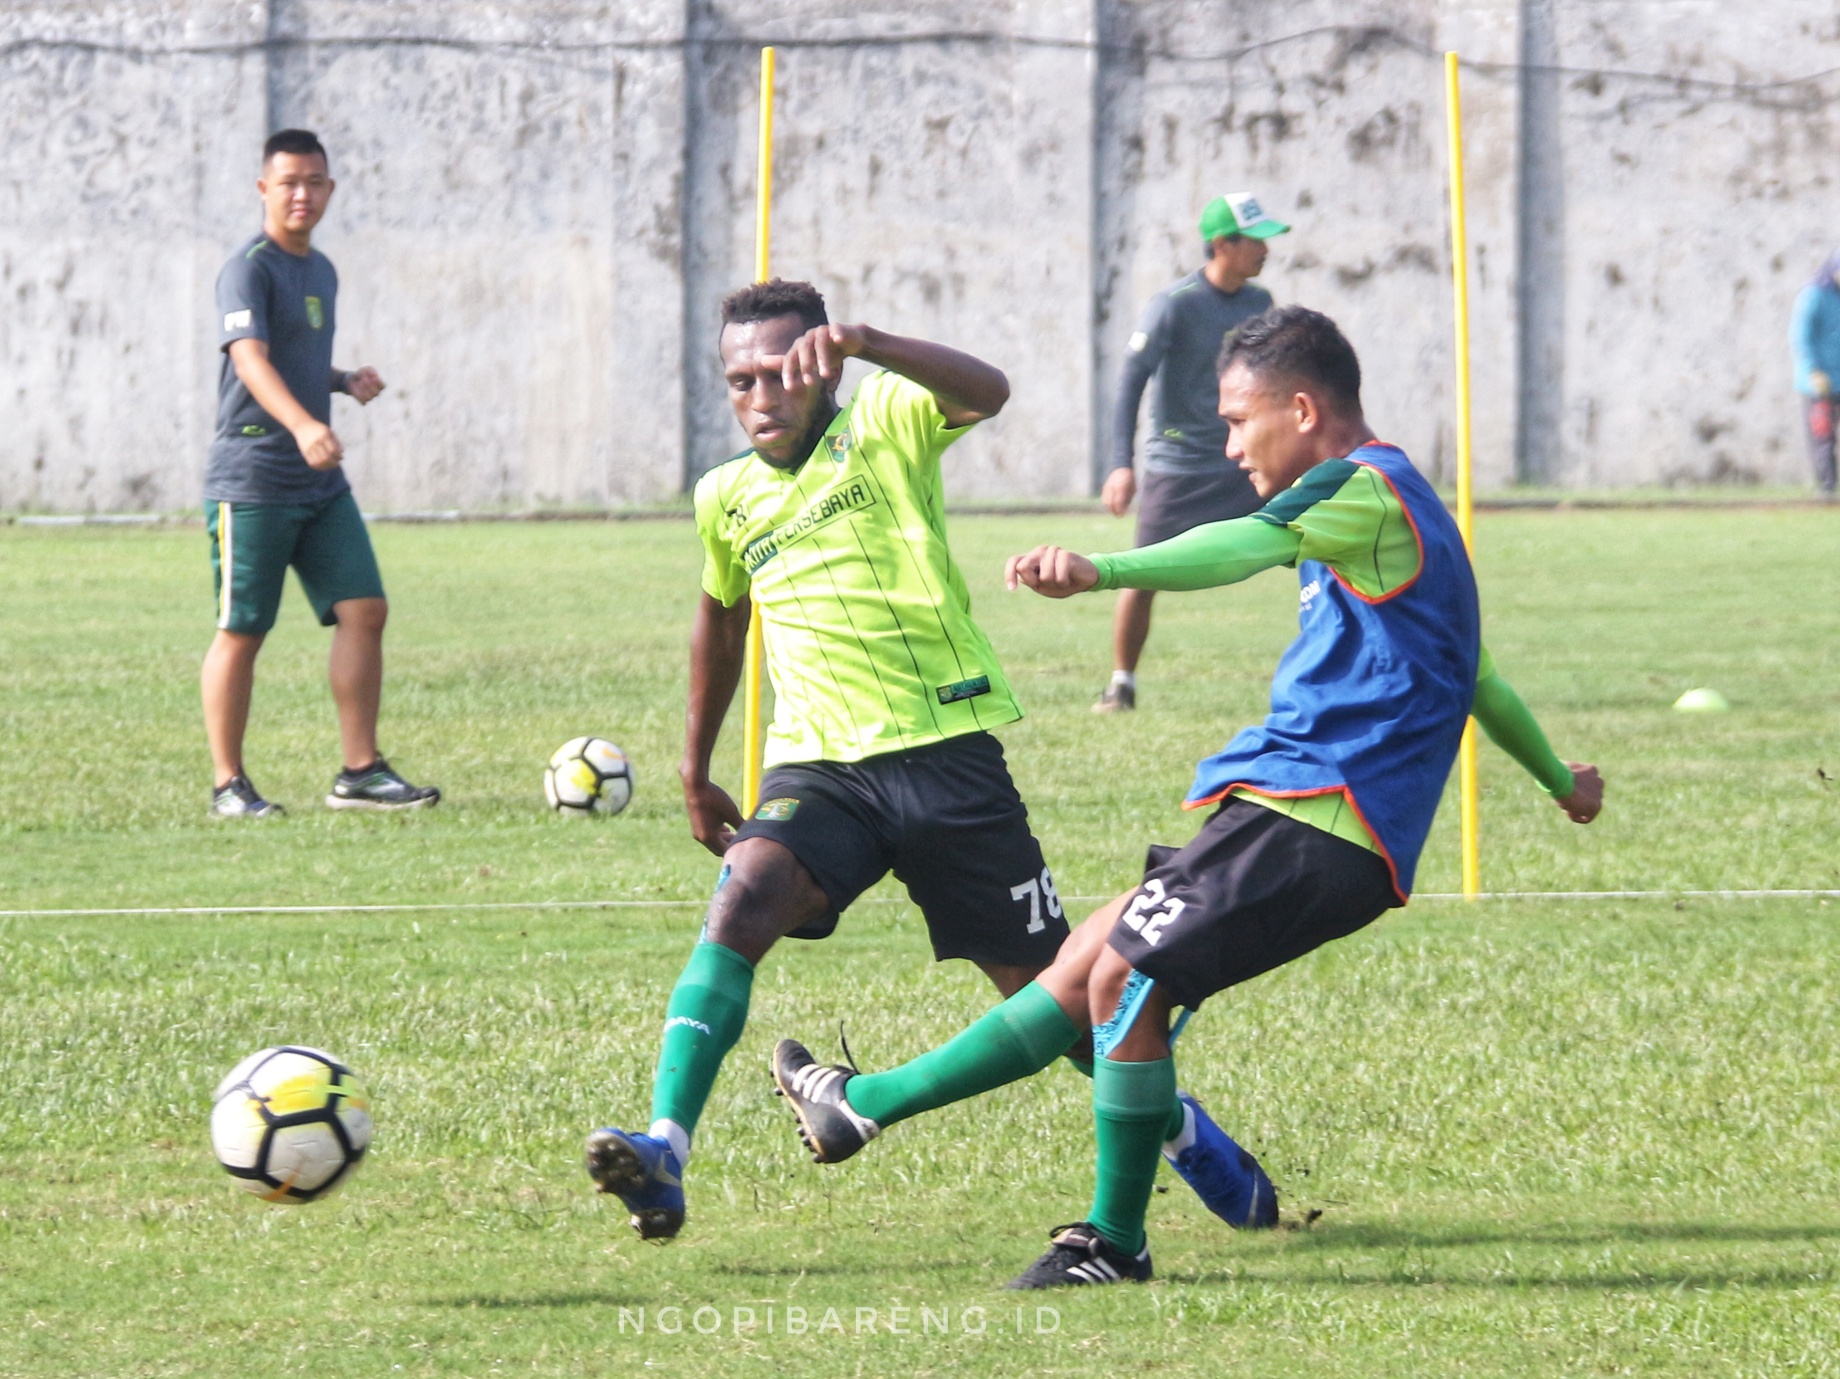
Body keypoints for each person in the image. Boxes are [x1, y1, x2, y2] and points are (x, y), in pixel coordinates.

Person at [772, 306, 1604, 1289]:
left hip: (1317, 818)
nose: (1227, 442)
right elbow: (1477, 677)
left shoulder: (1356, 491)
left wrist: (1101, 569)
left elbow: (1239, 546)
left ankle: (1112, 1242)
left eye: (1238, 419)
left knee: (1125, 985)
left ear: (1301, 409)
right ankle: (859, 1102)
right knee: (1089, 956)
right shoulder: (1397, 509)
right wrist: (1559, 778)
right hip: (1300, 817)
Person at [583, 279, 1100, 1241]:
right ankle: (663, 1150)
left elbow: (988, 390)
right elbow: (720, 620)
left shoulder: (886, 420)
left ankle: (1185, 1134)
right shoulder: (724, 497)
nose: (761, 397)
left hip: (947, 757)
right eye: (740, 381)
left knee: (1057, 1006)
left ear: (820, 366)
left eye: (780, 373)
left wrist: (872, 341)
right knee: (742, 898)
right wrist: (694, 768)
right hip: (820, 769)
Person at [200, 129, 438, 818]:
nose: (302, 194)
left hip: (317, 478)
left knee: (364, 608)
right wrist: (302, 425)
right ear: (263, 190)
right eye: (288, 183)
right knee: (244, 628)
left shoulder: (322, 269)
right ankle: (228, 785)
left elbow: (293, 356)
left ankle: (360, 772)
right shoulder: (247, 269)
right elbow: (249, 360)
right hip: (254, 476)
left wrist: (340, 381)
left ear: (330, 189)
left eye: (315, 182)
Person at [1094, 192, 1290, 713]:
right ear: (1223, 244)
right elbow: (1131, 381)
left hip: (1242, 461)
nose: (1265, 250)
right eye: (1256, 240)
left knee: (1314, 544)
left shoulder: (1259, 304)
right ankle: (1122, 684)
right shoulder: (1172, 305)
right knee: (1141, 573)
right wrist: (1120, 463)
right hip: (1178, 464)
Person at [1788, 249, 1840, 500]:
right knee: (1823, 436)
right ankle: (1827, 487)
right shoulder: (1813, 295)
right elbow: (1801, 338)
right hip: (1819, 382)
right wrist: (1813, 371)